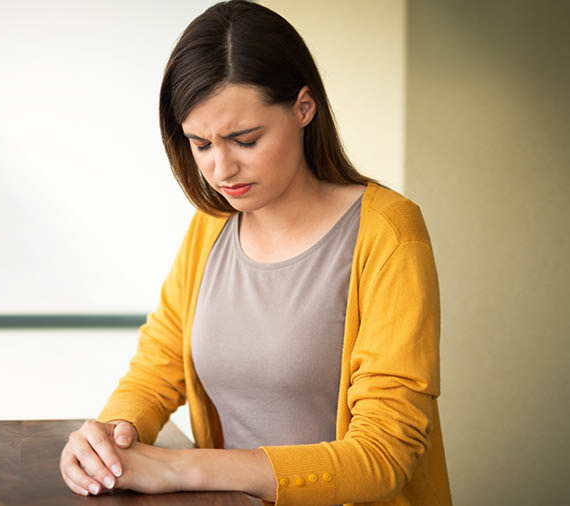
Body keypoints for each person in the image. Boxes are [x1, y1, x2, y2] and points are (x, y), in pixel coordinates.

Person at [59, 1, 451, 504]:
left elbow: (383, 456)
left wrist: (183, 468)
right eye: (201, 144)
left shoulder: (389, 234)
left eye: (245, 140)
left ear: (304, 108)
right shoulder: (213, 225)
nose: (222, 170)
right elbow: (159, 364)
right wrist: (112, 439)